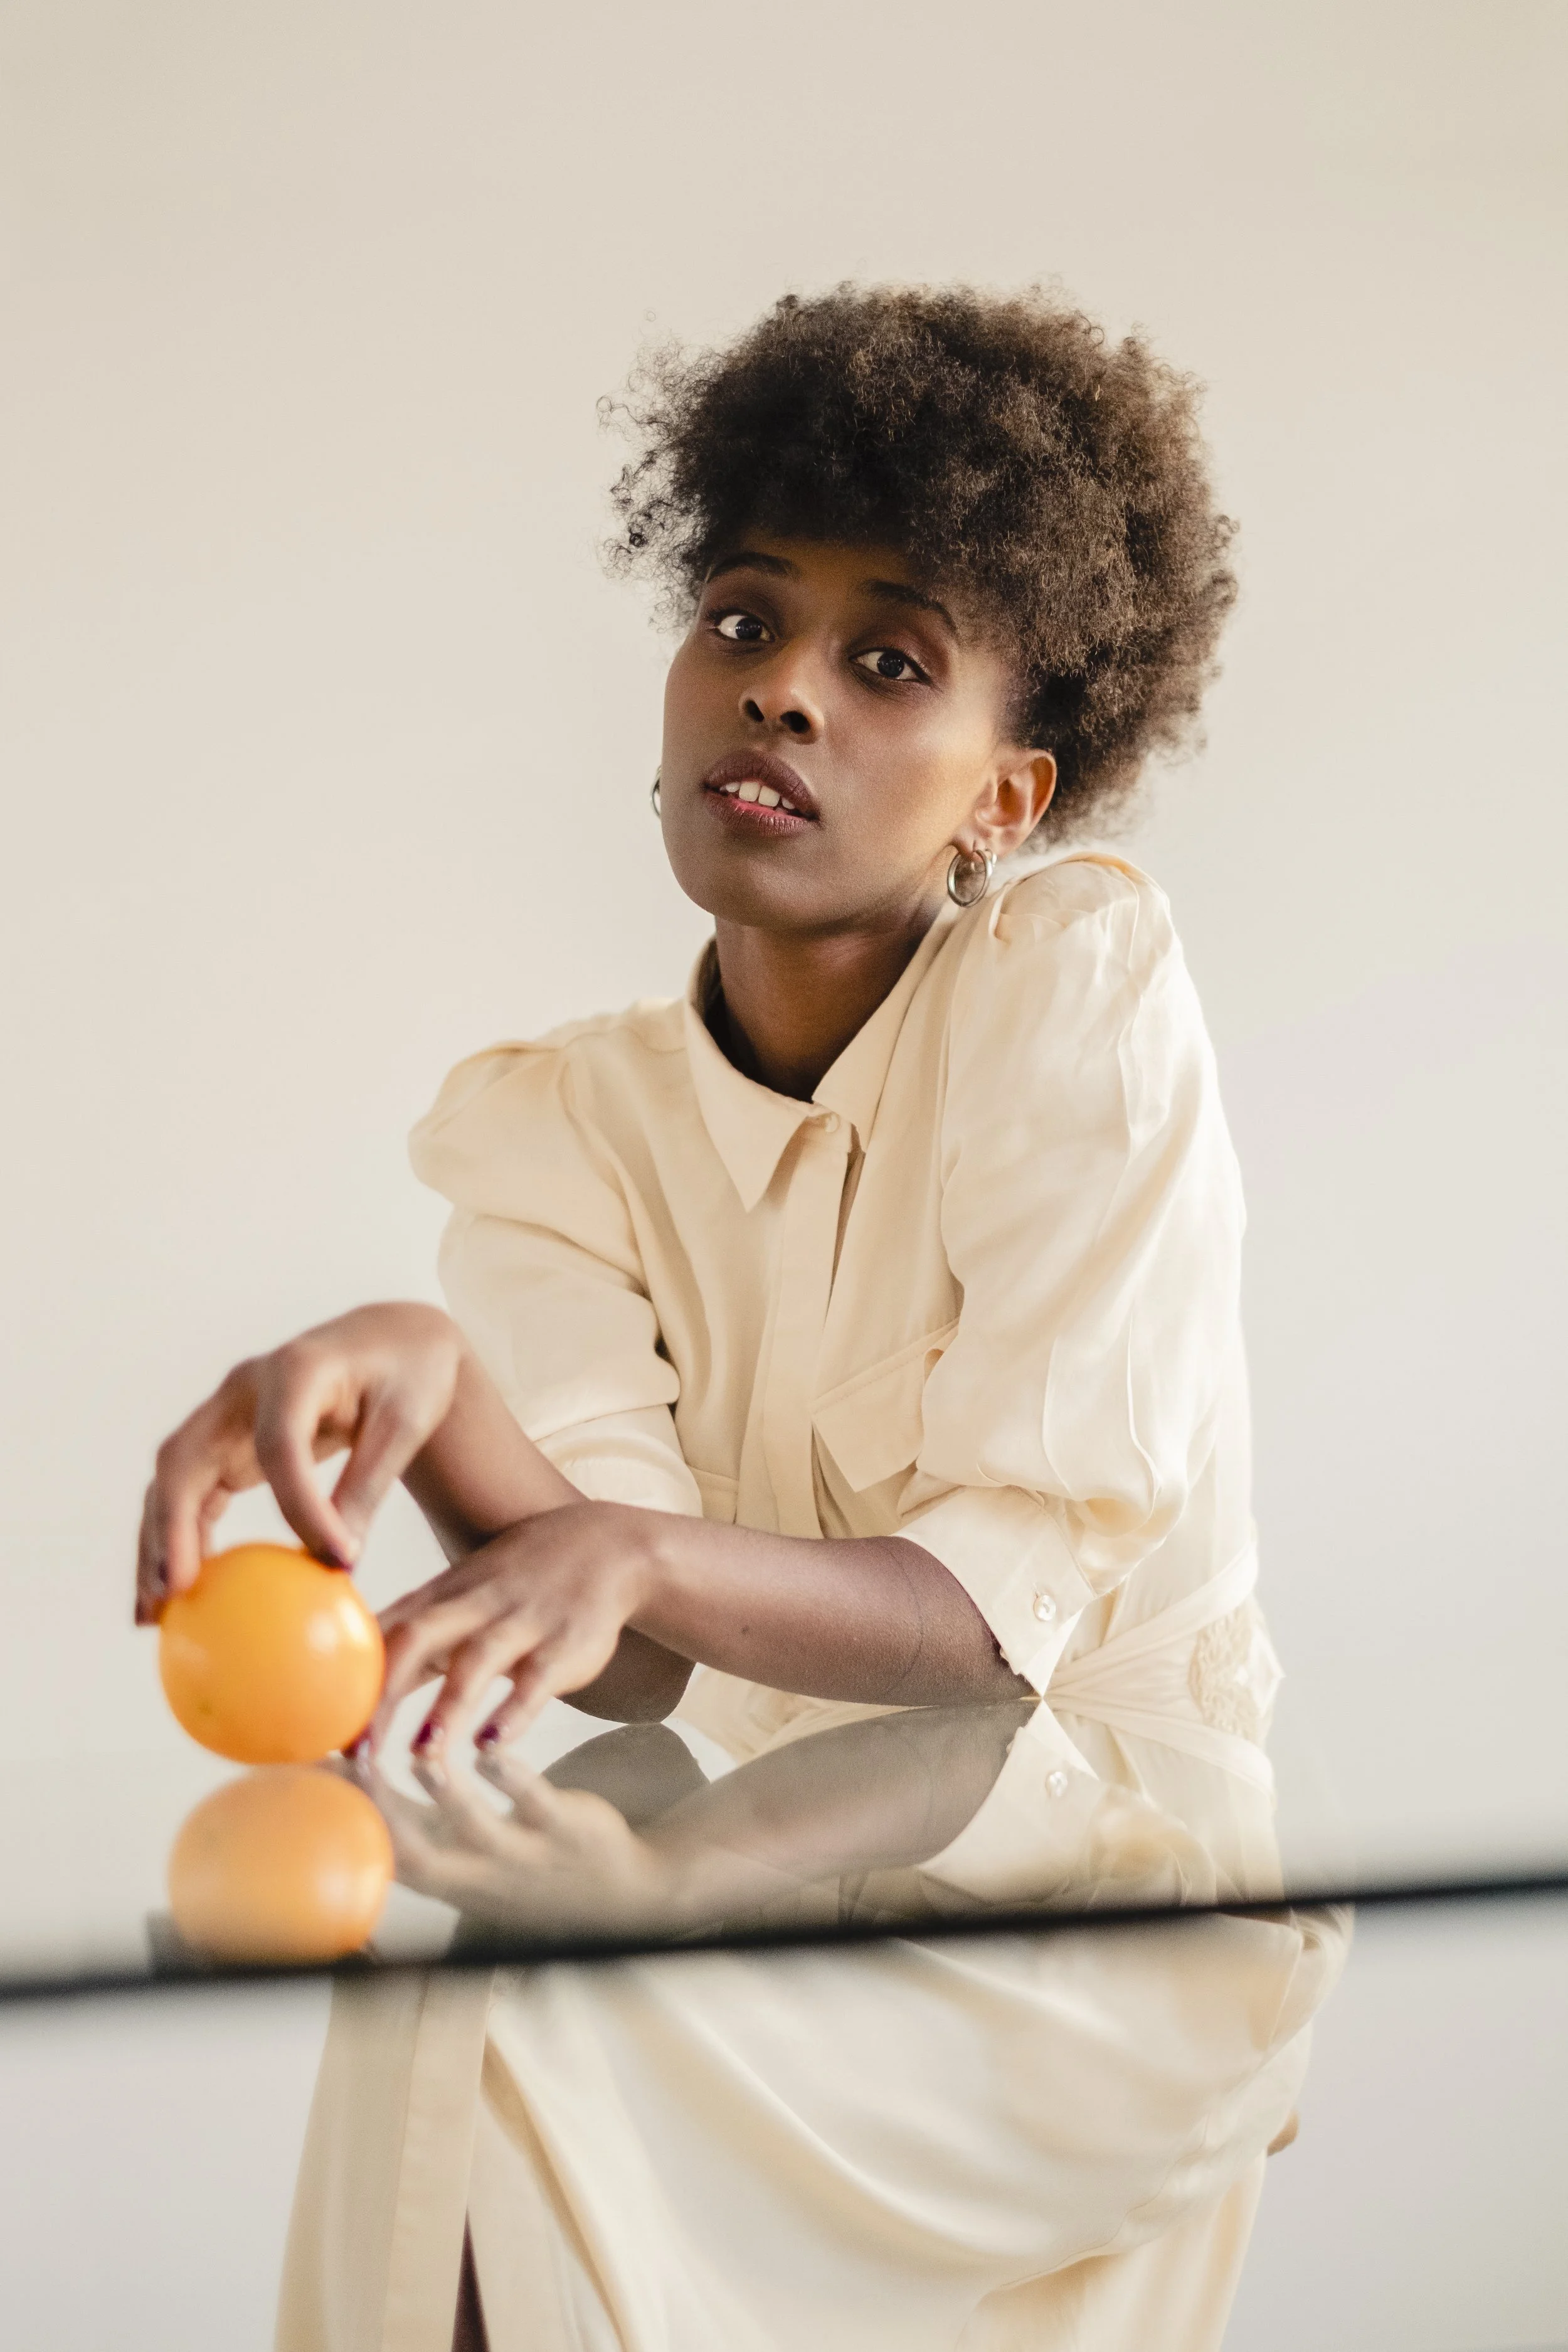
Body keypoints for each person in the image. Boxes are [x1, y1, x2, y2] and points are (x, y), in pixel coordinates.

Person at [139, 286, 1328, 2352]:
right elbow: (632, 1651)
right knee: (467, 2013)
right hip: (763, 1865)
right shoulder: (553, 1119)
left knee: (512, 2015)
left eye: (888, 664)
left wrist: (610, 1553)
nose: (781, 694)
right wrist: (441, 1412)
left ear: (1006, 798)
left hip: (1091, 1912)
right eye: (741, 620)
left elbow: (986, 1630)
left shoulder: (1076, 989)